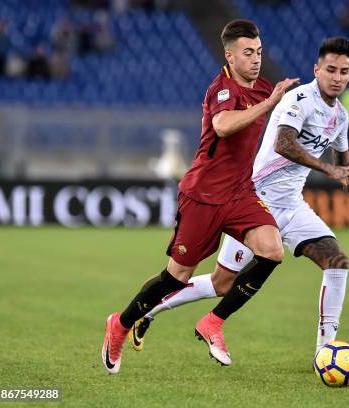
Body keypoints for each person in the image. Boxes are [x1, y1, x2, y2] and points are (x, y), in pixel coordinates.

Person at [128, 37, 349, 356]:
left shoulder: (340, 118)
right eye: (331, 69)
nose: (337, 77)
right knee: (222, 284)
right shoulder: (299, 100)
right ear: (316, 70)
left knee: (338, 263)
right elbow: (283, 143)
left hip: (291, 206)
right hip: (254, 200)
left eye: (344, 71)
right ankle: (148, 311)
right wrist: (324, 167)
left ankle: (326, 351)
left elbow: (345, 169)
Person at [101, 19, 299, 373]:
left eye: (259, 52)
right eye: (248, 53)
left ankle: (214, 322)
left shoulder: (264, 87)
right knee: (174, 278)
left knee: (272, 250)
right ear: (230, 56)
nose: (255, 59)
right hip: (203, 196)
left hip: (240, 193)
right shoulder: (221, 89)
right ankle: (120, 324)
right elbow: (223, 126)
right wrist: (269, 103)